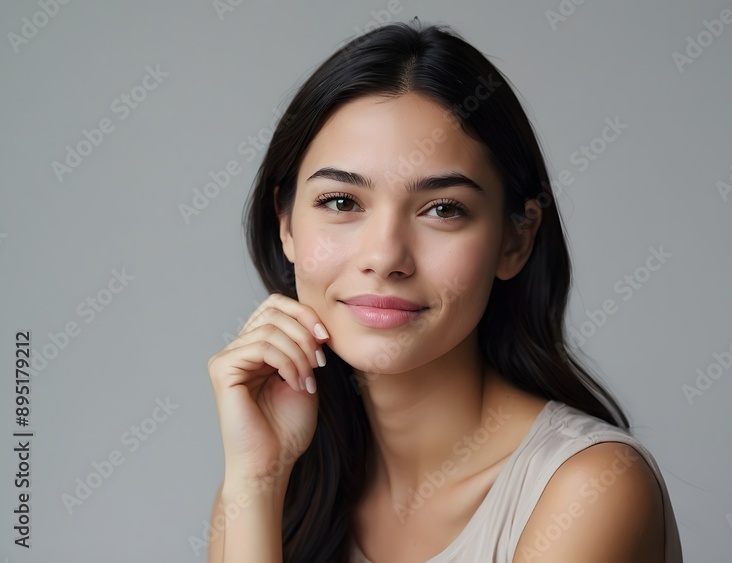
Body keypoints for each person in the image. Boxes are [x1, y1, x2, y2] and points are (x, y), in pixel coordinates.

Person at [206, 18, 682, 563]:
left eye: (443, 209)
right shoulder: (268, 488)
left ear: (514, 241)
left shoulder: (591, 489)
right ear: (286, 226)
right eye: (341, 203)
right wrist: (256, 480)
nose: (385, 257)